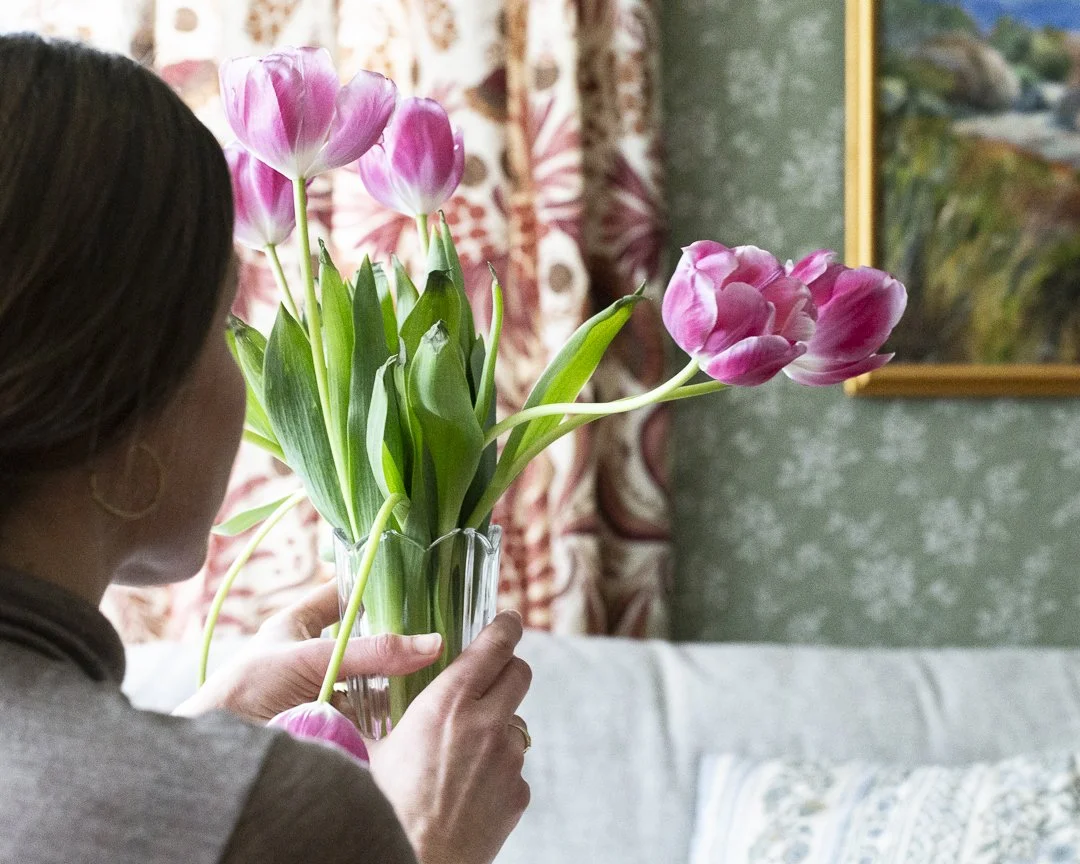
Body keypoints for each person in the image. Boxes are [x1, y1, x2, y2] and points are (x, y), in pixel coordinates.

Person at [0, 32, 532, 864]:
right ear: (128, 391)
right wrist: (424, 844)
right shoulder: (298, 815)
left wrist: (202, 747)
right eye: (224, 326)